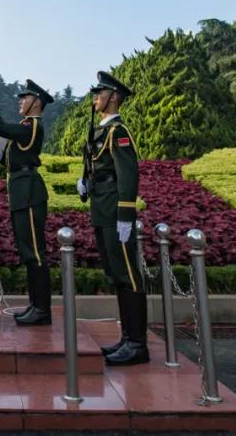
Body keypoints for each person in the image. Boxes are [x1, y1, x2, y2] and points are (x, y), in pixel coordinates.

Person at [76, 71, 148, 365]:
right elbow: (98, 166)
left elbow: (128, 175)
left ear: (114, 97)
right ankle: (127, 339)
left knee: (127, 275)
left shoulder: (118, 132)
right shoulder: (101, 131)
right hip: (101, 209)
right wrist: (85, 181)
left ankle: (137, 344)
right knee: (116, 274)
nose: (95, 97)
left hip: (115, 211)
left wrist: (126, 214)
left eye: (100, 93)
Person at [0, 79, 54, 326]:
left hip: (30, 193)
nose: (21, 102)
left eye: (25, 98)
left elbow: (2, 128)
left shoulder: (33, 125)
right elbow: (16, 159)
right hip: (21, 192)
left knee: (35, 253)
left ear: (36, 102)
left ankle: (42, 310)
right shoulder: (26, 128)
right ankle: (35, 305)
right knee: (28, 252)